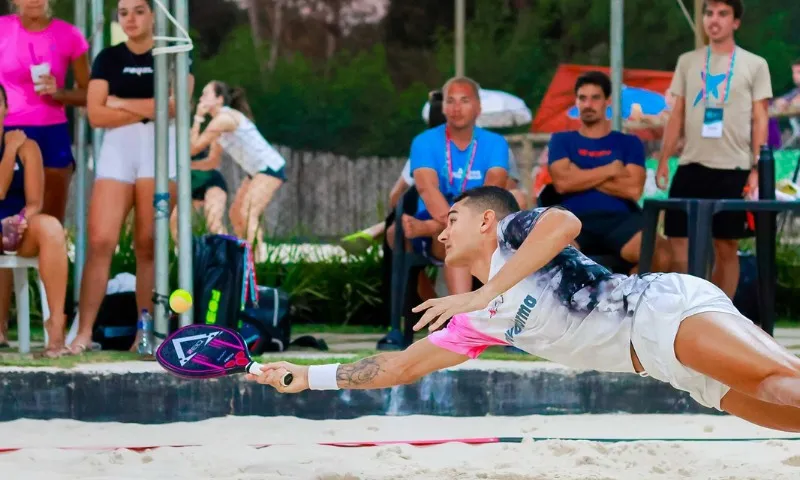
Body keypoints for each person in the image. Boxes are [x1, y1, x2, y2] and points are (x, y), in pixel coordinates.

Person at [250, 186, 800, 433]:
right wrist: (309, 377)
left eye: (454, 218)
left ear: (486, 221)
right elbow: (397, 368)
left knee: (780, 385)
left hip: (660, 310)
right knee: (787, 414)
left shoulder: (517, 230)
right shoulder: (472, 322)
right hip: (665, 366)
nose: (444, 230)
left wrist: (484, 291)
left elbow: (567, 225)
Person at [68, 0, 195, 354]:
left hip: (160, 148)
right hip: (118, 150)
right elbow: (95, 114)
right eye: (124, 12)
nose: (131, 19)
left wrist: (119, 102)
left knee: (148, 243)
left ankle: (147, 331)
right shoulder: (108, 57)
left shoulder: (173, 53)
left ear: (154, 14)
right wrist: (148, 108)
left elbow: (176, 105)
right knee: (100, 241)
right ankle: (83, 331)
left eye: (139, 10)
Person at [656, 0, 772, 298]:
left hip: (733, 167)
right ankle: (687, 310)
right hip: (691, 164)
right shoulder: (688, 61)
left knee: (726, 245)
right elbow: (677, 114)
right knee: (678, 239)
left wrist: (757, 167)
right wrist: (663, 160)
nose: (714, 20)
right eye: (709, 13)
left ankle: (721, 315)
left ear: (735, 22)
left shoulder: (755, 64)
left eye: (723, 14)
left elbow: (760, 118)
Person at [396, 76, 510, 295]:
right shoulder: (424, 141)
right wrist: (457, 224)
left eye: (464, 100)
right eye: (450, 101)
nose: (456, 107)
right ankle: (463, 321)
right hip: (443, 227)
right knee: (457, 239)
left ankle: (464, 322)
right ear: (443, 107)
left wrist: (453, 224)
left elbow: (494, 186)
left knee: (473, 234)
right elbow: (427, 189)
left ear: (478, 107)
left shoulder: (496, 143)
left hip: (479, 224)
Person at [548, 71, 671, 273]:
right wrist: (610, 169)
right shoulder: (561, 140)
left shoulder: (628, 142)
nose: (588, 104)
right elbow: (562, 184)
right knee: (549, 249)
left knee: (661, 251)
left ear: (608, 101)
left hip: (620, 219)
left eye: (595, 98)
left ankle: (630, 298)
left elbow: (632, 190)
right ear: (576, 102)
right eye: (582, 98)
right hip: (572, 218)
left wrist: (580, 174)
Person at [0, 0, 90, 222]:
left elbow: (91, 93)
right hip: (8, 132)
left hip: (52, 134)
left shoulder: (70, 35)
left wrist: (58, 93)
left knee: (50, 221)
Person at [0, 83, 70, 357]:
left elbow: (34, 203)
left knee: (51, 226)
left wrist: (20, 221)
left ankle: (56, 327)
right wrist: (9, 150)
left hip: (18, 226)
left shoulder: (28, 147)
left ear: (6, 108)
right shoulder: (16, 146)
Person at [190, 81, 286, 246]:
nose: (201, 98)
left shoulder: (224, 118)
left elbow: (193, 148)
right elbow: (212, 162)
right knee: (236, 214)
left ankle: (258, 261)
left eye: (206, 94)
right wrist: (186, 167)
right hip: (257, 171)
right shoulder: (219, 124)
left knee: (248, 213)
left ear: (219, 99)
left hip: (270, 168)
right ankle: (246, 256)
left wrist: (198, 118)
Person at [169, 146, 229, 239]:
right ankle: (182, 251)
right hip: (187, 188)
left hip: (210, 182)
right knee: (175, 221)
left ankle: (226, 251)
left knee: (213, 221)